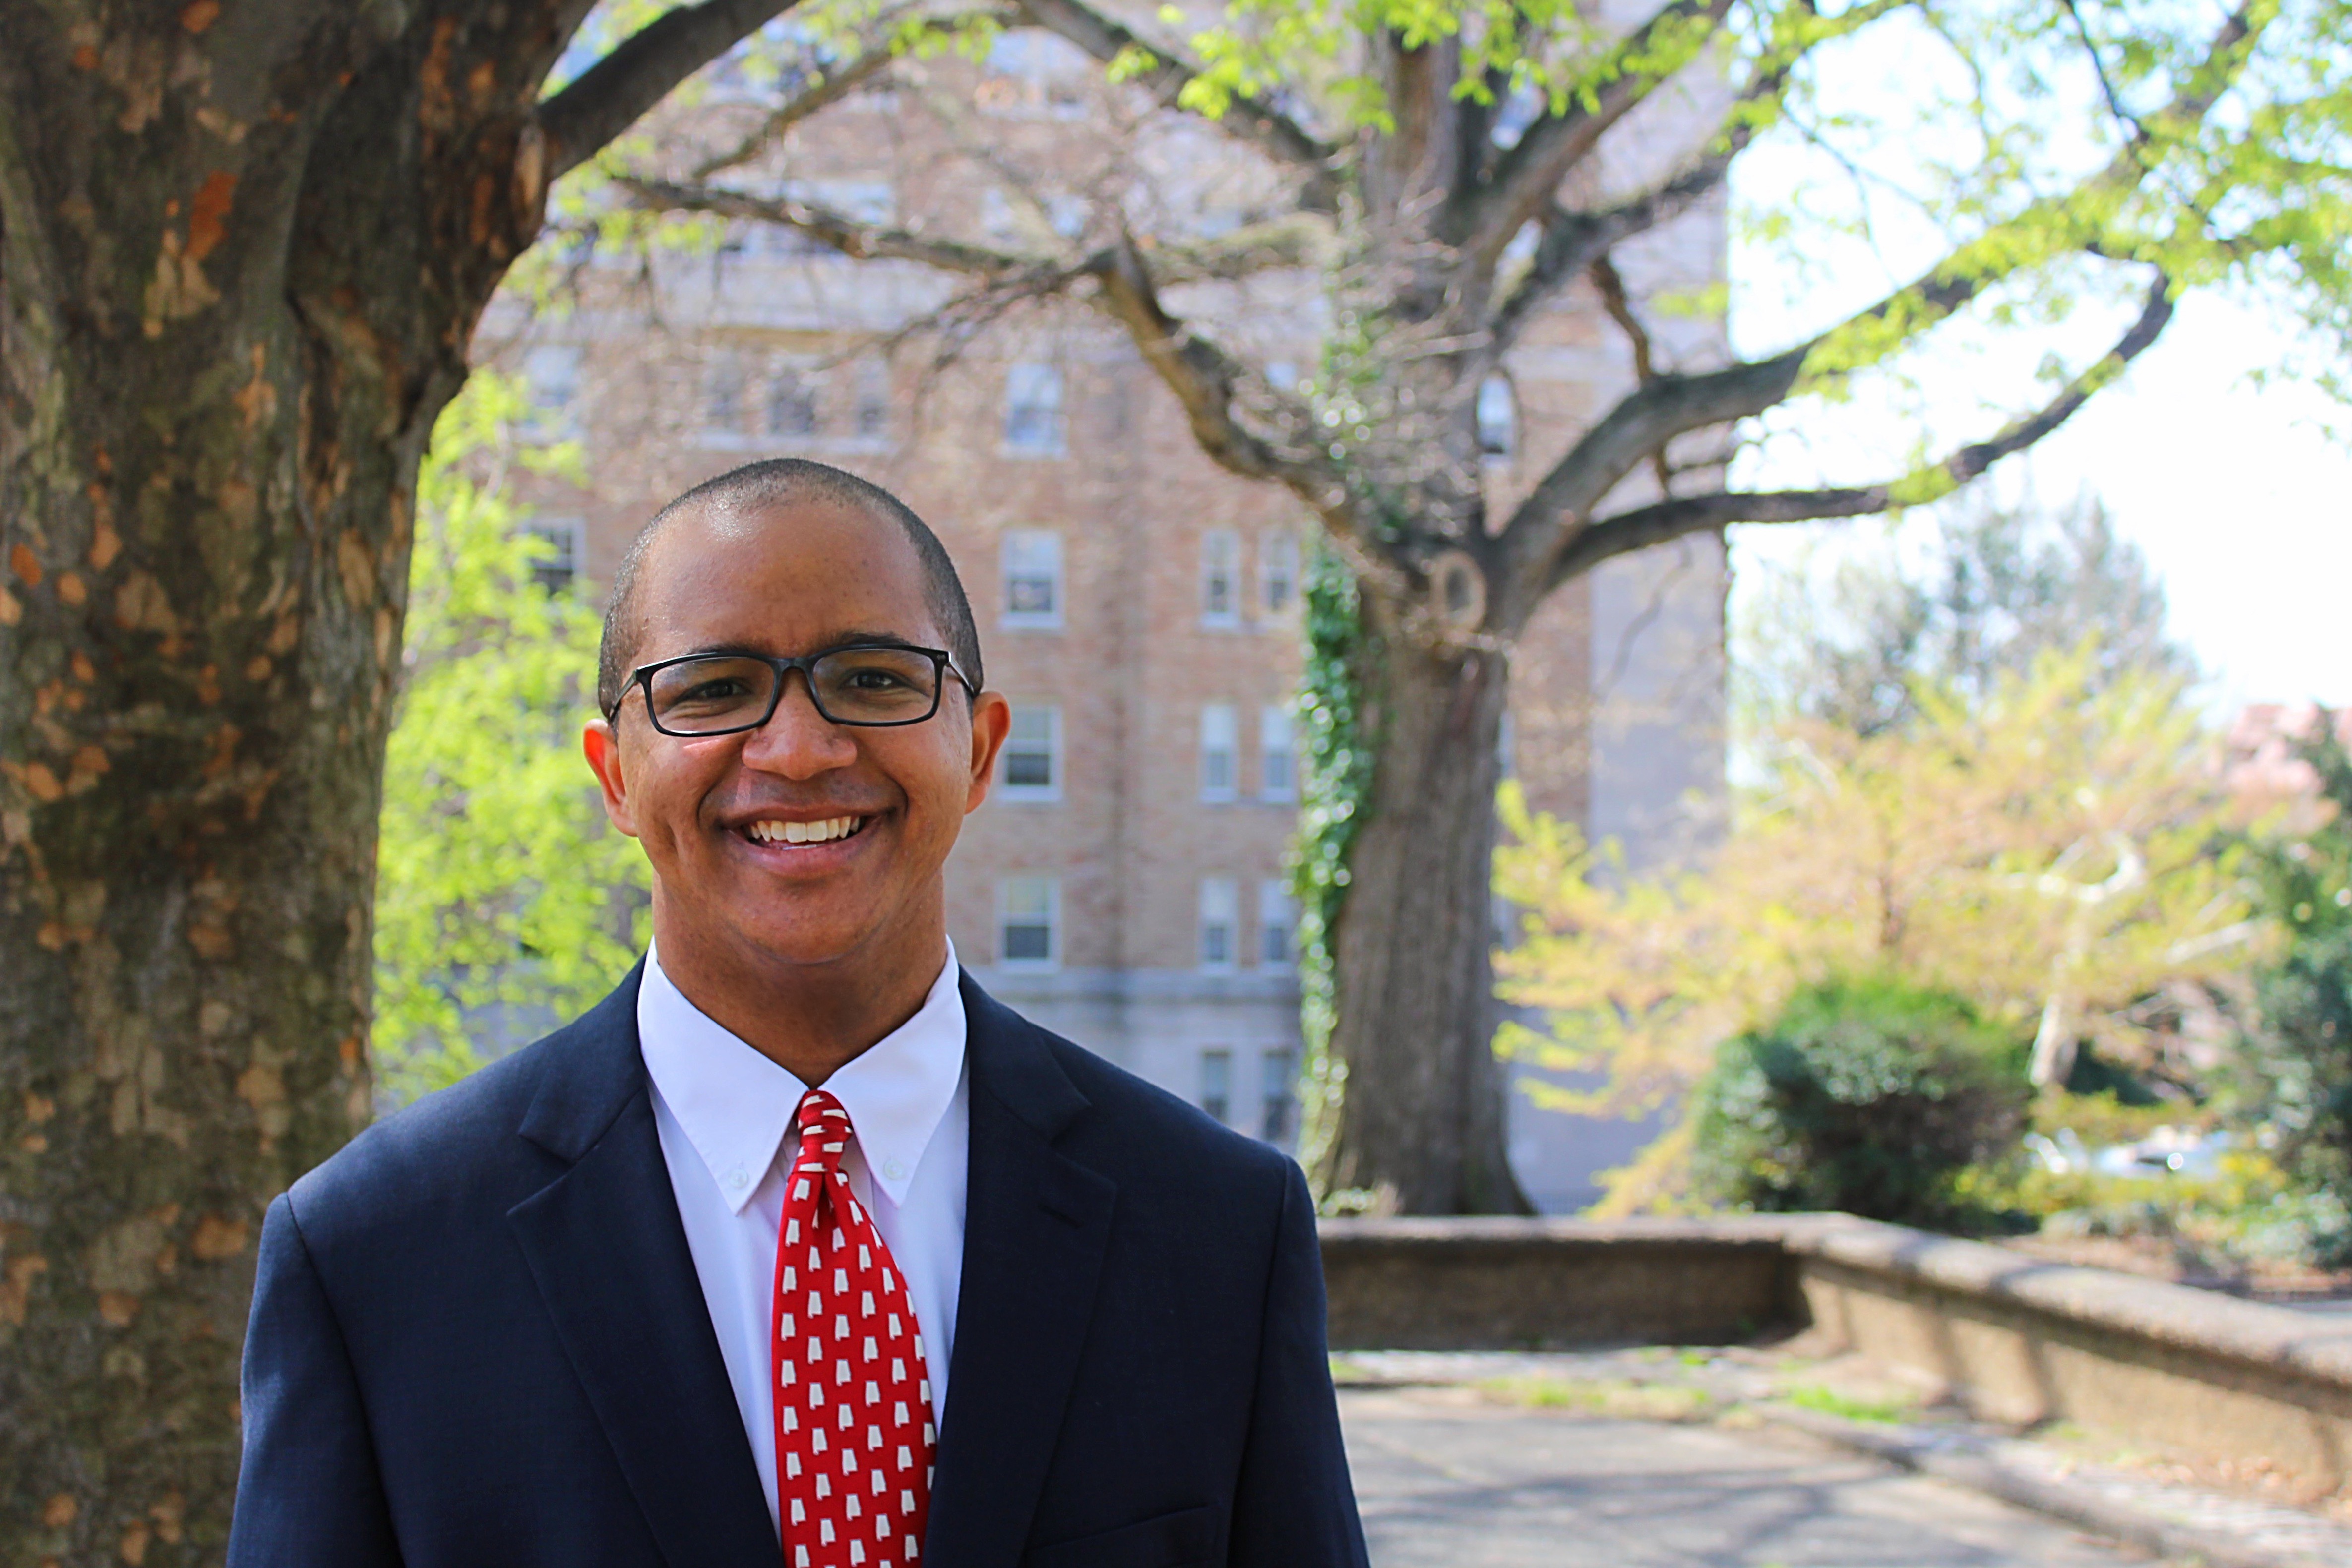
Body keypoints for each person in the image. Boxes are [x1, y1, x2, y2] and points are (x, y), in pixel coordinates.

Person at [226, 459, 1368, 1568]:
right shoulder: (376, 1257)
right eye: (713, 689)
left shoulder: (1219, 1230)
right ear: (615, 775)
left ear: (978, 751)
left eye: (873, 678)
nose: (799, 748)